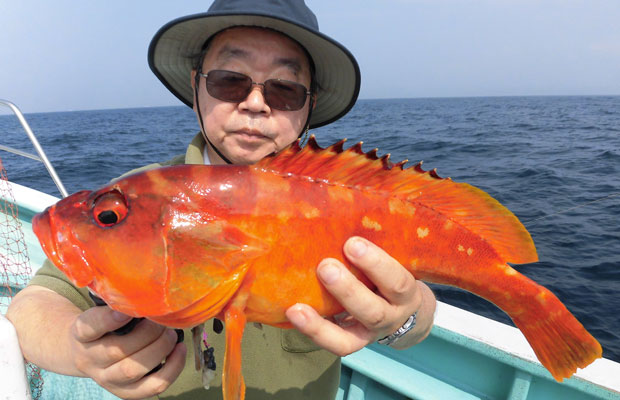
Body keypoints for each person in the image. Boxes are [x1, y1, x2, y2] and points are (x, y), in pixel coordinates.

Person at [7, 1, 437, 399]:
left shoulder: (351, 201)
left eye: (284, 89)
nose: (255, 104)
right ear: (197, 88)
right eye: (230, 81)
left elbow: (418, 308)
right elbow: (34, 307)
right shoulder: (133, 197)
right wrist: (78, 349)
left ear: (309, 105)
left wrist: (406, 319)